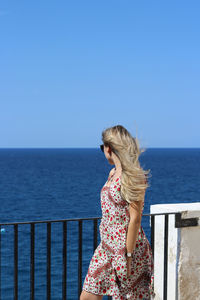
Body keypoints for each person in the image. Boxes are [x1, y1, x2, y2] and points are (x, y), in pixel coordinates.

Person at [80, 125, 155, 300]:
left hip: (126, 249)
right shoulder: (112, 173)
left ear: (109, 148)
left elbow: (135, 219)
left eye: (102, 147)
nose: (103, 151)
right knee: (88, 296)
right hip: (106, 247)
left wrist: (127, 256)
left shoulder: (133, 176)